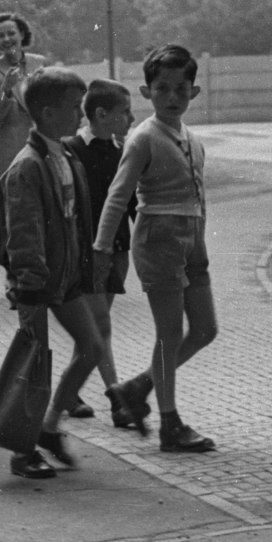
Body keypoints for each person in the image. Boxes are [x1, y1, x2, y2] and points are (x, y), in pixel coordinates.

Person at [0, 68, 125, 478]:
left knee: (92, 347)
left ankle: (48, 428)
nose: (80, 115)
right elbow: (22, 233)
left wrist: (85, 271)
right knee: (35, 367)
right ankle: (22, 451)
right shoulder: (28, 166)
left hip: (66, 278)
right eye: (73, 108)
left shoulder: (67, 156)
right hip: (36, 284)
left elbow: (77, 222)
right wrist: (29, 284)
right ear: (48, 113)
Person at [93, 44, 220, 455]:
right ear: (147, 92)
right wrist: (100, 248)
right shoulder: (143, 136)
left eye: (181, 88)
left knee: (205, 329)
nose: (172, 96)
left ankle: (138, 386)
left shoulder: (190, 136)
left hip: (192, 239)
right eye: (162, 88)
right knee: (168, 334)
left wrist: (197, 235)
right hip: (158, 238)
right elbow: (118, 195)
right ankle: (169, 423)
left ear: (193, 92)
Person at [64, 78, 147, 429]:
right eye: (124, 112)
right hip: (85, 251)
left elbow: (132, 205)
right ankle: (117, 397)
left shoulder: (122, 152)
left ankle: (69, 392)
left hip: (117, 250)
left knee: (94, 328)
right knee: (100, 326)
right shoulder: (71, 150)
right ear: (101, 114)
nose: (130, 118)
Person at [0, 12, 49, 181]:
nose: (6, 39)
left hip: (41, 143)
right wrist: (6, 87)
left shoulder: (39, 63)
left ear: (22, 34)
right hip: (11, 149)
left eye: (11, 33)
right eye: (0, 35)